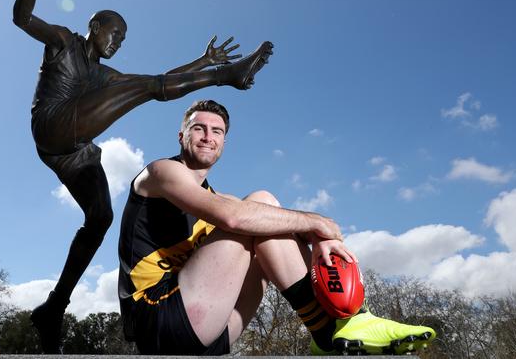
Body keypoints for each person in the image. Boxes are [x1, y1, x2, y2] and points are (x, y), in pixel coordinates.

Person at [13, 0, 273, 353]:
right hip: (53, 124)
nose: (117, 43)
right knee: (143, 87)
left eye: (123, 40)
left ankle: (54, 307)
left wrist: (199, 60)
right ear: (94, 27)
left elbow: (159, 81)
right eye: (113, 34)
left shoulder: (105, 75)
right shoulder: (63, 42)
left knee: (100, 217)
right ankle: (225, 76)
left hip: (73, 153)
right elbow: (22, 18)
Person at [118, 100, 436, 355]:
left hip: (212, 333)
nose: (207, 136)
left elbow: (255, 221)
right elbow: (235, 218)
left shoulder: (216, 198)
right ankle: (331, 332)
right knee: (260, 204)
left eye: (217, 131)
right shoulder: (160, 173)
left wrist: (318, 239)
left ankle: (342, 322)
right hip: (156, 319)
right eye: (198, 128)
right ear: (181, 136)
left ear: (224, 142)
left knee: (263, 216)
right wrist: (320, 222)